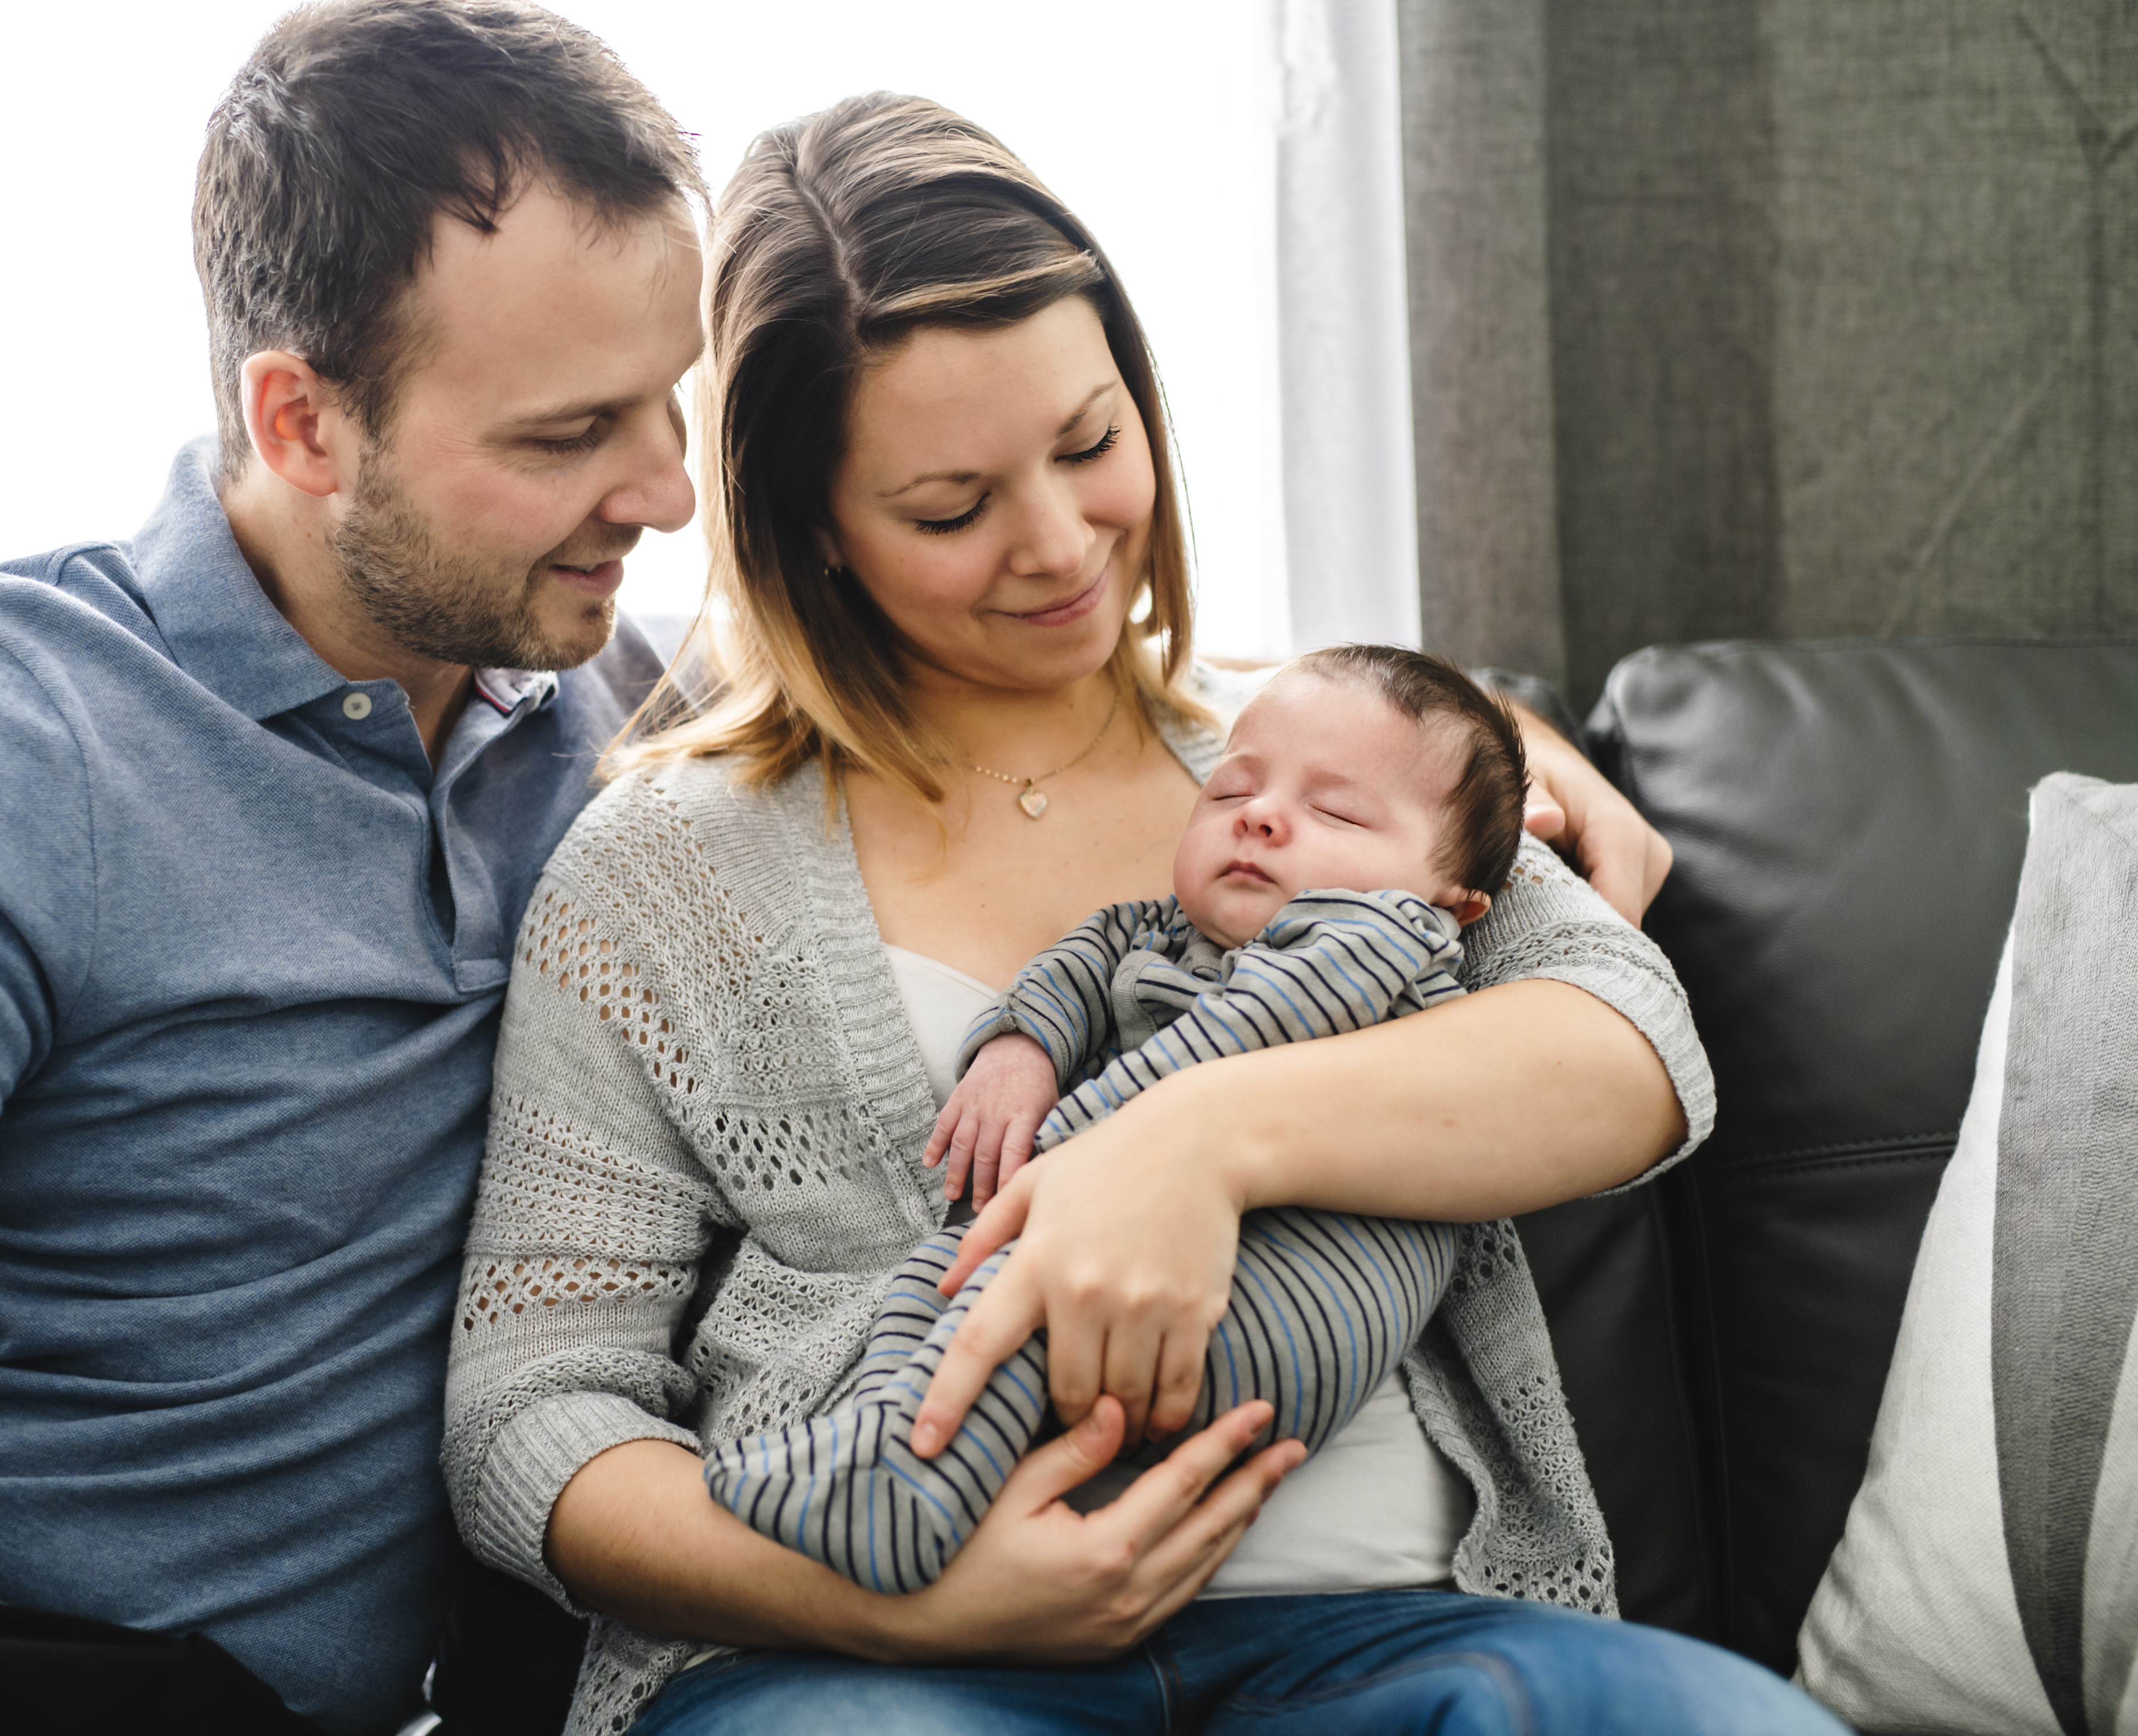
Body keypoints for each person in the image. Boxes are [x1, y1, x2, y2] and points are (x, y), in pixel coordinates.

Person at [441, 93, 1849, 1734]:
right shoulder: (661, 872)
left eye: (1092, 444)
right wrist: (892, 1609)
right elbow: (526, 1413)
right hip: (861, 1662)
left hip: (1391, 1641)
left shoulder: (1322, 766)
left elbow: (1628, 1051)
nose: (1058, 547)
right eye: (950, 508)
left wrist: (1191, 1144)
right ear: (809, 527)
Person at [0, 5, 705, 1734]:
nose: (668, 492)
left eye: (670, 400)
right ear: (301, 422)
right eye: (565, 436)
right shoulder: (6, 739)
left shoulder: (647, 729)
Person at [705, 645, 1524, 1595]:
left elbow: (1240, 1038)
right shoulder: (1159, 932)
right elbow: (1080, 960)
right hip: (1140, 1258)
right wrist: (1021, 1049)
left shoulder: (1378, 936)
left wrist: (1070, 1151)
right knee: (946, 1277)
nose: (1259, 815)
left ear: (1454, 904)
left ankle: (913, 1491)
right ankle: (872, 1446)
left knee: (1009, 1281)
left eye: (1335, 811)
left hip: (1293, 1290)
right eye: (1231, 792)